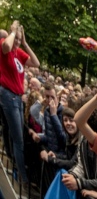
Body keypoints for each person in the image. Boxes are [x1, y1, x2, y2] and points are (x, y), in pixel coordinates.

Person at [0, 20, 41, 184]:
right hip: (8, 96)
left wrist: (24, 42)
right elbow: (7, 47)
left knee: (16, 135)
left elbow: (36, 63)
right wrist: (13, 32)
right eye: (16, 38)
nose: (17, 41)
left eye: (19, 39)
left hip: (17, 97)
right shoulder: (5, 44)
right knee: (19, 140)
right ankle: (23, 177)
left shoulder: (19, 52)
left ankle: (16, 165)